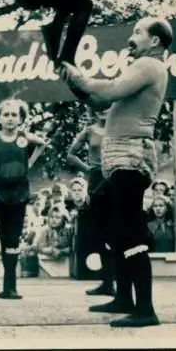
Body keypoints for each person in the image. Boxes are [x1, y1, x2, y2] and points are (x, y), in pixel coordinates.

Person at [61, 17, 173, 327]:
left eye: (138, 32)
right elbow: (101, 101)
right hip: (120, 159)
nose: (132, 36)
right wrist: (77, 85)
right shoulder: (143, 68)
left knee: (130, 230)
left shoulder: (149, 66)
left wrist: (81, 80)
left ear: (155, 41)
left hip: (130, 157)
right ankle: (124, 296)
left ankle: (146, 309)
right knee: (107, 219)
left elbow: (110, 90)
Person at [0, 98, 46, 299]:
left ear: (21, 118)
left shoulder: (24, 136)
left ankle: (11, 286)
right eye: (6, 114)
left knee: (14, 237)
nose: (10, 118)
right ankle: (6, 285)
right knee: (4, 235)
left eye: (14, 115)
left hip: (19, 190)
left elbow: (41, 144)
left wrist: (29, 163)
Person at [67, 106, 115, 297]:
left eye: (108, 106)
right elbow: (71, 154)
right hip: (96, 181)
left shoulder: (120, 128)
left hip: (115, 179)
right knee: (100, 235)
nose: (104, 110)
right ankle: (107, 282)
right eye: (100, 107)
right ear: (94, 111)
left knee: (117, 234)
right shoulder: (89, 130)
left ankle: (121, 281)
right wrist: (89, 169)